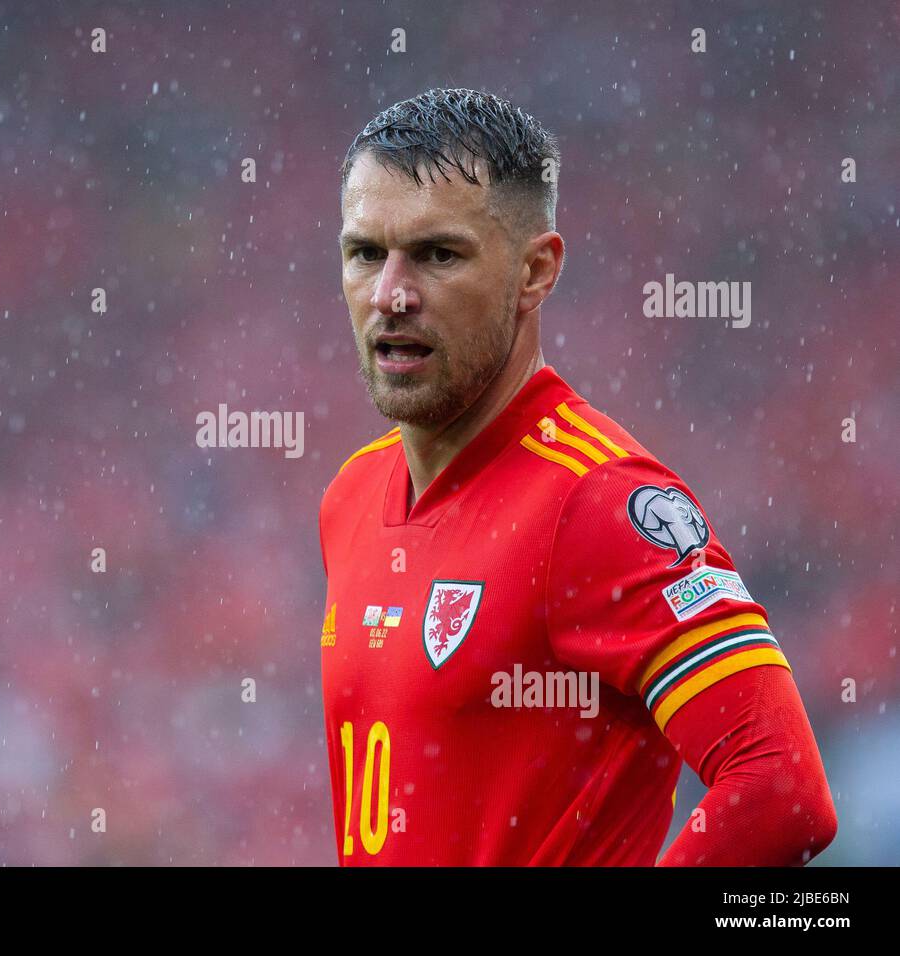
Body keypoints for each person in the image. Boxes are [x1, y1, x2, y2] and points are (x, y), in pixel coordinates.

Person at [319, 88, 836, 865]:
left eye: (438, 254)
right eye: (366, 253)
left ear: (535, 272)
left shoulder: (597, 502)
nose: (391, 295)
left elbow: (780, 787)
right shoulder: (350, 495)